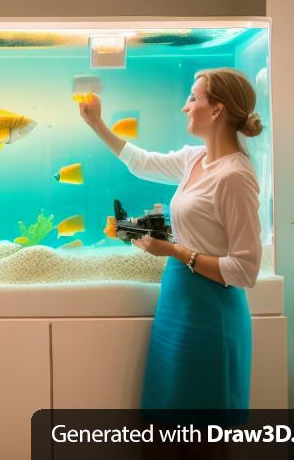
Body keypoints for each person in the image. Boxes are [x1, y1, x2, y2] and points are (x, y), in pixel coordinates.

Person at [78, 68, 263, 424]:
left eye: (193, 98)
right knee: (163, 423)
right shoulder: (196, 159)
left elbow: (245, 270)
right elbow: (142, 162)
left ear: (216, 110)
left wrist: (175, 251)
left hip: (211, 313)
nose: (184, 106)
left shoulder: (235, 176)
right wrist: (97, 125)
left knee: (202, 434)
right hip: (176, 305)